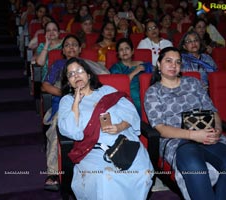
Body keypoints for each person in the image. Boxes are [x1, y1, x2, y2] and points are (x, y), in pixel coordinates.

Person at [144, 46, 226, 200]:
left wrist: (218, 129)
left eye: (177, 62)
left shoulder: (193, 83)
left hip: (206, 134)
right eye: (168, 61)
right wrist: (193, 135)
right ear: (159, 64)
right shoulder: (154, 92)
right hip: (177, 140)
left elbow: (211, 109)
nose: (173, 65)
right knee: (195, 167)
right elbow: (160, 128)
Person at [57, 57, 154, 200]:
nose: (76, 75)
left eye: (79, 71)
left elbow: (131, 113)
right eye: (71, 74)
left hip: (124, 143)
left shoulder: (107, 91)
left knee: (142, 172)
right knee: (105, 179)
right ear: (68, 81)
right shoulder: (67, 101)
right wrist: (76, 102)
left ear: (88, 75)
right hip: (93, 151)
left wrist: (120, 126)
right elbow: (72, 132)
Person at [42, 34, 109, 191]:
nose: (71, 47)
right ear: (63, 50)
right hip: (65, 105)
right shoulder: (59, 65)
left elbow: (105, 79)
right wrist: (68, 95)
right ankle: (53, 173)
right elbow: (45, 86)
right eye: (67, 45)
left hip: (90, 103)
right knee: (55, 129)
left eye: (74, 45)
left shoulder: (87, 65)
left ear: (80, 49)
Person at [110, 37, 153, 115]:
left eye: (127, 48)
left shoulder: (142, 64)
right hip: (126, 96)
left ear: (132, 51)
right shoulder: (116, 68)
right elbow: (119, 86)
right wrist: (135, 72)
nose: (124, 51)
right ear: (118, 54)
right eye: (121, 49)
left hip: (145, 93)